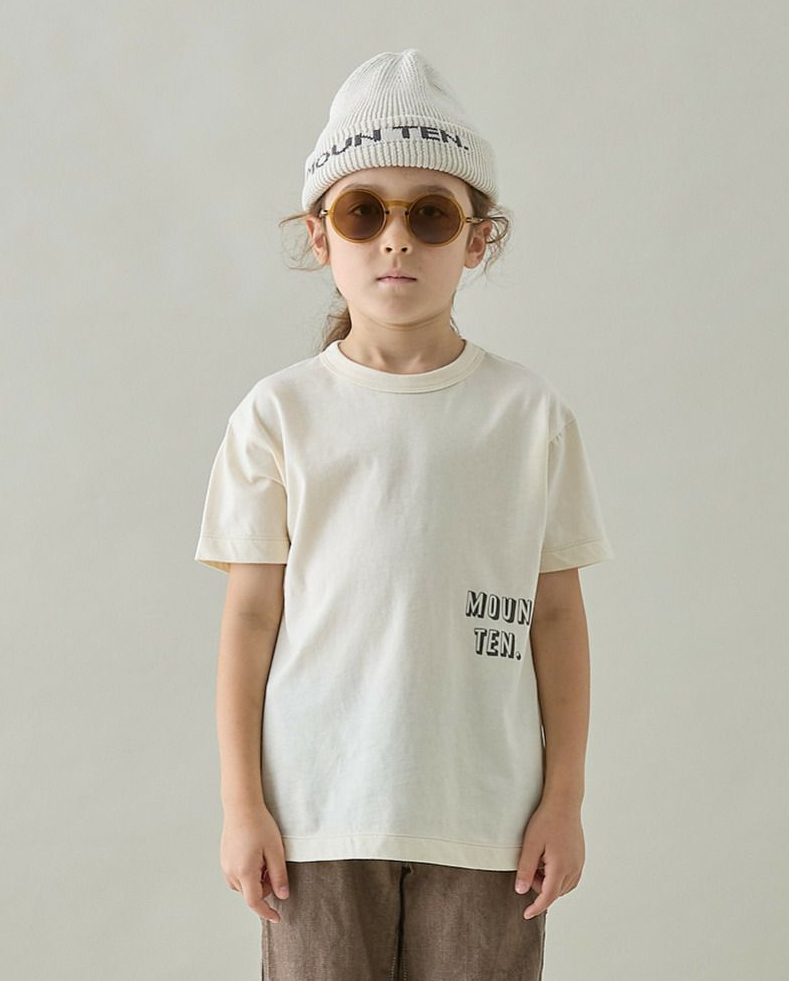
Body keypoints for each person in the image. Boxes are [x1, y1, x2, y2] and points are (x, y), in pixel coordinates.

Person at [194, 48, 615, 981]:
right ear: (320, 236)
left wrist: (564, 801)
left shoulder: (529, 417)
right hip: (316, 818)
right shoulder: (279, 414)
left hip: (488, 822)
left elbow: (556, 618)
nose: (396, 240)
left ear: (476, 240)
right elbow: (251, 619)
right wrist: (242, 806)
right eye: (364, 212)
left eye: (430, 214)